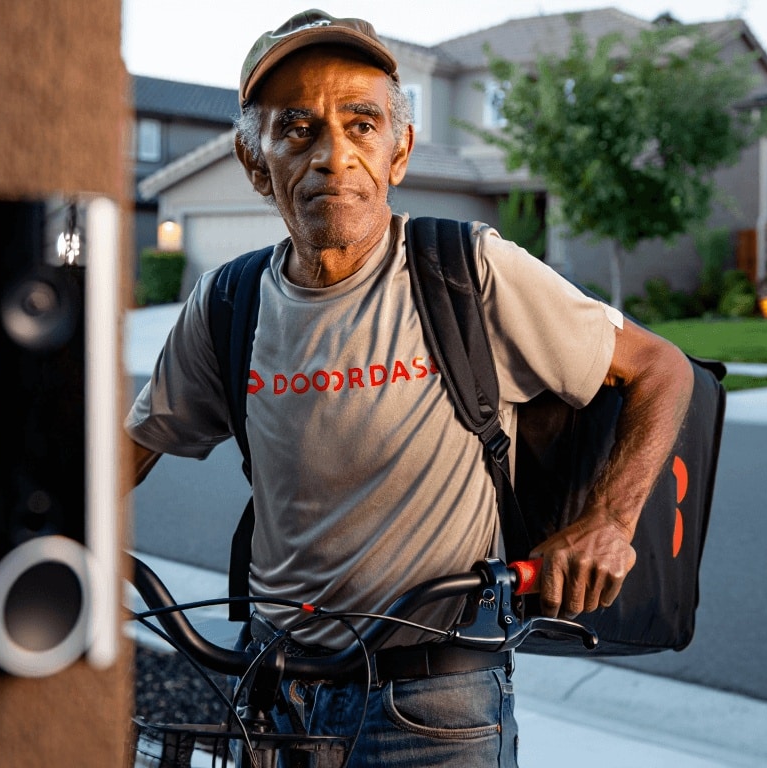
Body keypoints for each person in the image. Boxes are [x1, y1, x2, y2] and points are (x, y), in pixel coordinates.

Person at [126, 9, 695, 766]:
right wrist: (41, 537)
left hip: (433, 704)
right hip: (272, 687)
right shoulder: (228, 304)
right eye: (296, 130)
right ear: (253, 161)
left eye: (362, 124)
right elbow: (132, 446)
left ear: (400, 151)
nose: (334, 155)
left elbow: (662, 369)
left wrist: (609, 523)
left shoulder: (467, 271)